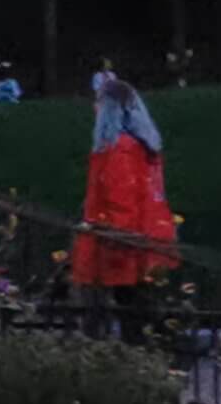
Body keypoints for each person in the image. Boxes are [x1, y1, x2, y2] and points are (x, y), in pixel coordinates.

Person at [70, 64, 178, 302]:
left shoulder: (118, 149)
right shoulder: (146, 146)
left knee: (120, 301)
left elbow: (121, 197)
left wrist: (117, 239)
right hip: (149, 233)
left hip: (121, 243)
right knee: (142, 300)